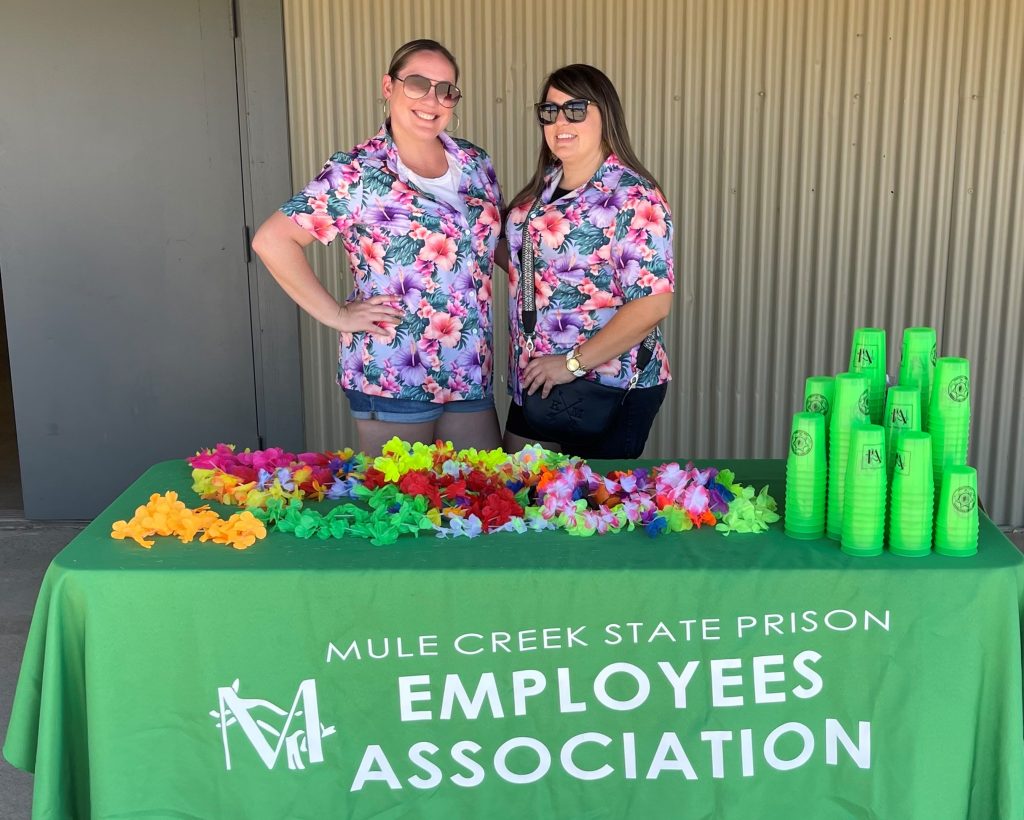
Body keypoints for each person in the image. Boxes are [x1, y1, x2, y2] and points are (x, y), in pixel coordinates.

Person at [252, 39, 504, 456]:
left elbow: (496, 245)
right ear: (389, 87)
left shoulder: (474, 163)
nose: (432, 99)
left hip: (468, 368)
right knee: (403, 511)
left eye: (446, 90)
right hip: (393, 370)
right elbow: (273, 240)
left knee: (479, 502)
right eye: (418, 84)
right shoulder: (356, 172)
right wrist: (336, 314)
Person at [501, 64, 674, 459]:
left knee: (587, 511)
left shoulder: (633, 196)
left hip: (606, 383)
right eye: (550, 111)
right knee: (520, 496)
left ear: (605, 115)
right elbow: (529, 262)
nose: (560, 121)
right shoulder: (545, 185)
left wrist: (571, 364)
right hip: (538, 376)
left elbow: (653, 302)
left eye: (575, 110)